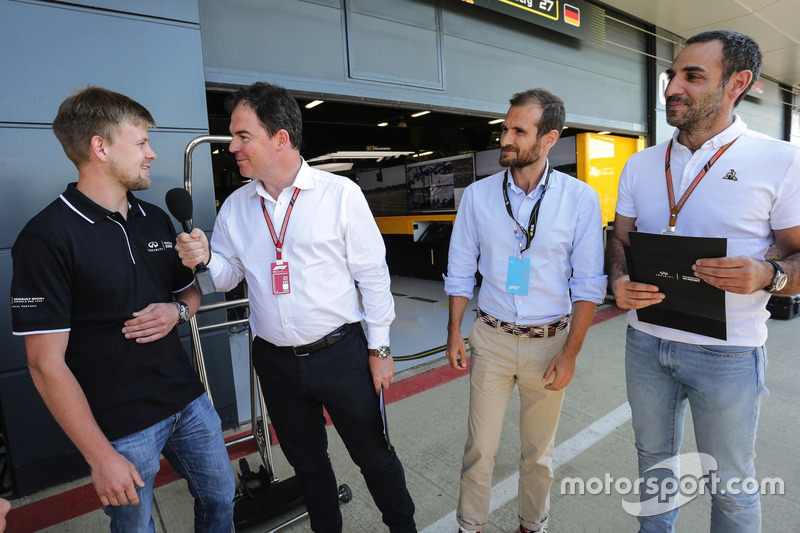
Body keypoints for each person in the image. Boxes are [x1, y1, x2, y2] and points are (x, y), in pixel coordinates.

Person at [175, 81, 416, 533]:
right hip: (275, 362)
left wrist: (380, 350)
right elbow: (227, 277)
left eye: (243, 136)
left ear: (280, 138)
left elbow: (374, 277)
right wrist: (206, 258)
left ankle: (403, 527)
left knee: (374, 455)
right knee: (308, 464)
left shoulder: (338, 195)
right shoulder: (236, 207)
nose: (232, 147)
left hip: (342, 355)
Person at [10, 87, 235, 532]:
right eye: (141, 142)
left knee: (221, 499)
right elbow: (44, 364)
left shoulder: (156, 218)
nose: (152, 153)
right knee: (135, 529)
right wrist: (100, 457)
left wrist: (177, 313)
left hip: (186, 400)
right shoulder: (46, 238)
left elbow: (190, 294)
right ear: (100, 147)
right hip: (121, 427)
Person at [606, 30, 800, 532]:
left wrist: (770, 274)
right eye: (673, 74)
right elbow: (620, 240)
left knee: (731, 487)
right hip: (645, 344)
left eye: (694, 76)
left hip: (729, 354)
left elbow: (797, 258)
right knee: (653, 470)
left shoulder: (779, 160)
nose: (673, 86)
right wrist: (619, 279)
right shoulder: (641, 163)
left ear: (738, 83)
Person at [444, 88, 607, 533]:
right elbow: (460, 271)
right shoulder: (477, 197)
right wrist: (455, 331)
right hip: (491, 341)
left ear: (549, 138)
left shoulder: (579, 200)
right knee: (480, 448)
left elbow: (589, 283)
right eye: (505, 128)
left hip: (549, 344)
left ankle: (532, 525)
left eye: (519, 131)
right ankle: (470, 526)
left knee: (539, 453)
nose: (505, 139)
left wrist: (570, 352)